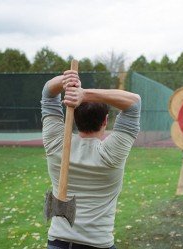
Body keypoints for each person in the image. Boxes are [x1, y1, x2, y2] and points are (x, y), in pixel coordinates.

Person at [41, 69, 141, 249]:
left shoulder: (56, 144)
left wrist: (66, 80)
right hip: (97, 244)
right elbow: (134, 103)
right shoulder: (112, 153)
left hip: (57, 242)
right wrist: (84, 94)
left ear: (74, 118)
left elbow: (48, 94)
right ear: (105, 121)